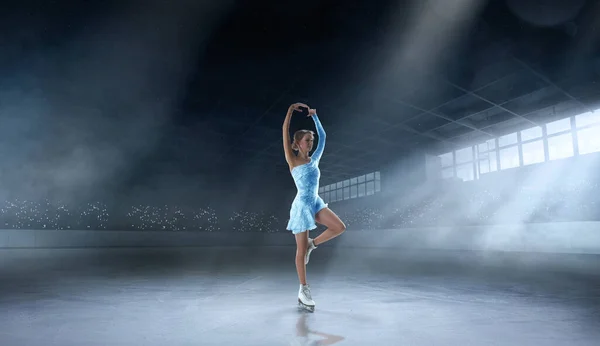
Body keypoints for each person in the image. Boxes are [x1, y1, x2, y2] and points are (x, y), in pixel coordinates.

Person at [282, 102, 347, 312]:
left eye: (311, 140)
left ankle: (313, 244)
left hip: (316, 201)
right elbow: (284, 132)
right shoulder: (292, 161)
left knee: (339, 227)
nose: (311, 143)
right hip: (302, 205)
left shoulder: (315, 159)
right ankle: (303, 289)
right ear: (298, 143)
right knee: (300, 251)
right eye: (307, 140)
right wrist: (290, 112)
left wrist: (315, 117)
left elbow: (324, 138)